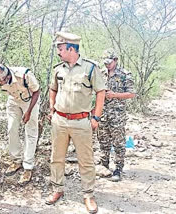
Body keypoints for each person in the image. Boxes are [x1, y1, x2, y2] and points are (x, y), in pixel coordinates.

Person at [45, 32, 106, 214]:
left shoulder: (89, 68)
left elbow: (100, 92)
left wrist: (96, 117)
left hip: (81, 122)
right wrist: (52, 109)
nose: (59, 52)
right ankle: (57, 190)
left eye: (61, 49)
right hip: (60, 121)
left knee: (86, 160)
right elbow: (52, 89)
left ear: (72, 49)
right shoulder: (58, 69)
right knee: (57, 157)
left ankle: (88, 195)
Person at [97, 48, 136, 182]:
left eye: (109, 62)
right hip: (102, 113)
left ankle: (118, 168)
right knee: (103, 141)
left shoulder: (124, 74)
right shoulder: (100, 73)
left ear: (115, 60)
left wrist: (115, 95)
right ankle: (104, 165)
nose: (107, 65)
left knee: (118, 143)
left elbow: (132, 94)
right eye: (105, 62)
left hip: (117, 115)